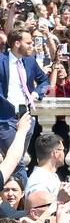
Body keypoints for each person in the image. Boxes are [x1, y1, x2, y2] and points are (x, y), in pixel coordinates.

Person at [0, 29, 50, 185]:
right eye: (28, 43)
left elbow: (44, 81)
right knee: (16, 162)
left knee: (19, 159)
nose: (32, 46)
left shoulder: (30, 61)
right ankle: (26, 198)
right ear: (17, 43)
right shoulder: (1, 60)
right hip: (6, 119)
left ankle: (15, 198)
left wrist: (36, 93)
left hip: (26, 117)